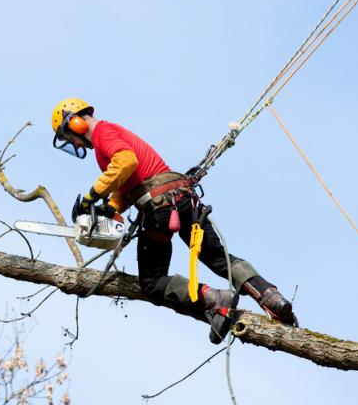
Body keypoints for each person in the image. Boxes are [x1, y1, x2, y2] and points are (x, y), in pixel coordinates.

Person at [51, 97, 297, 343]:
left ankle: (213, 299)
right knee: (217, 257)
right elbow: (128, 182)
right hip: (182, 199)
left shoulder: (103, 132)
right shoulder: (111, 133)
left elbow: (126, 162)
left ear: (75, 123)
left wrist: (90, 196)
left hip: (160, 207)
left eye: (67, 136)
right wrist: (111, 207)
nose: (72, 142)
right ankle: (272, 297)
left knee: (152, 280)